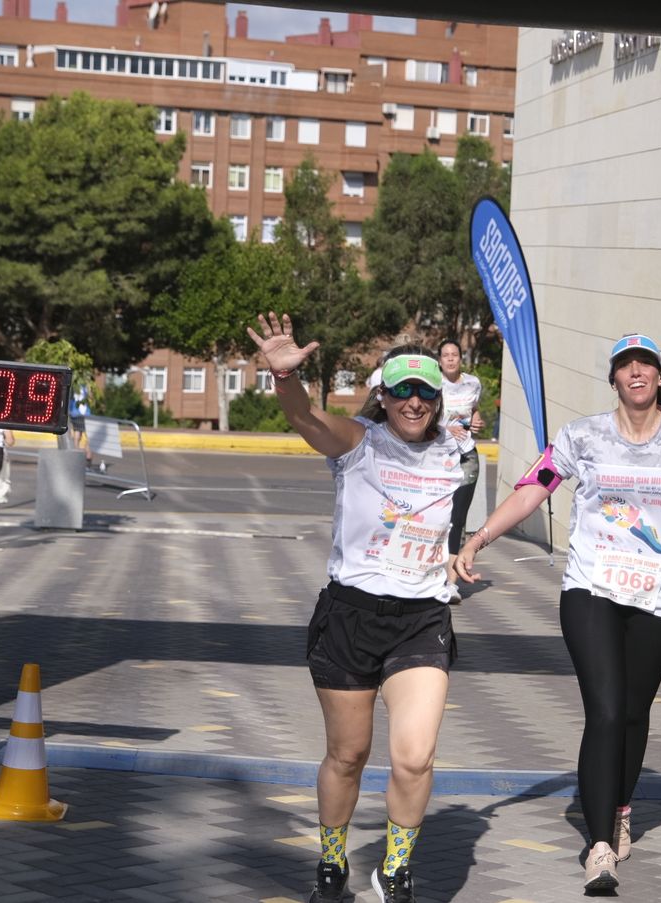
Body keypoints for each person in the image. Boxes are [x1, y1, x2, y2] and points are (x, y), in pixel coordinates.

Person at [451, 333, 661, 893]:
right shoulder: (581, 437)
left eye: (645, 364)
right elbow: (533, 489)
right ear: (613, 379)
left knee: (632, 712)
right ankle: (600, 844)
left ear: (660, 375)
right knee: (605, 711)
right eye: (625, 365)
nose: (636, 372)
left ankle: (621, 807)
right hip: (592, 588)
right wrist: (478, 538)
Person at [248, 312, 463, 903]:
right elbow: (304, 418)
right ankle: (333, 861)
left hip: (421, 619)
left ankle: (395, 869)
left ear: (438, 399)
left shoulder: (455, 452)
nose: (414, 401)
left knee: (414, 759)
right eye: (403, 390)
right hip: (350, 616)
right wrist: (284, 377)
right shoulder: (359, 444)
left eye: (425, 391)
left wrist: (471, 548)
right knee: (348, 755)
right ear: (384, 396)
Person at [437, 340, 485, 603]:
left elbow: (473, 412)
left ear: (460, 358)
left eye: (455, 355)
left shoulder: (473, 383)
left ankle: (451, 582)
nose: (451, 359)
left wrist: (476, 419)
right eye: (446, 355)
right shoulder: (434, 384)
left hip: (467, 455)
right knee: (438, 517)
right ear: (440, 360)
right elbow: (424, 418)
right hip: (439, 456)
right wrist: (445, 429)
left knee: (458, 518)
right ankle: (430, 575)